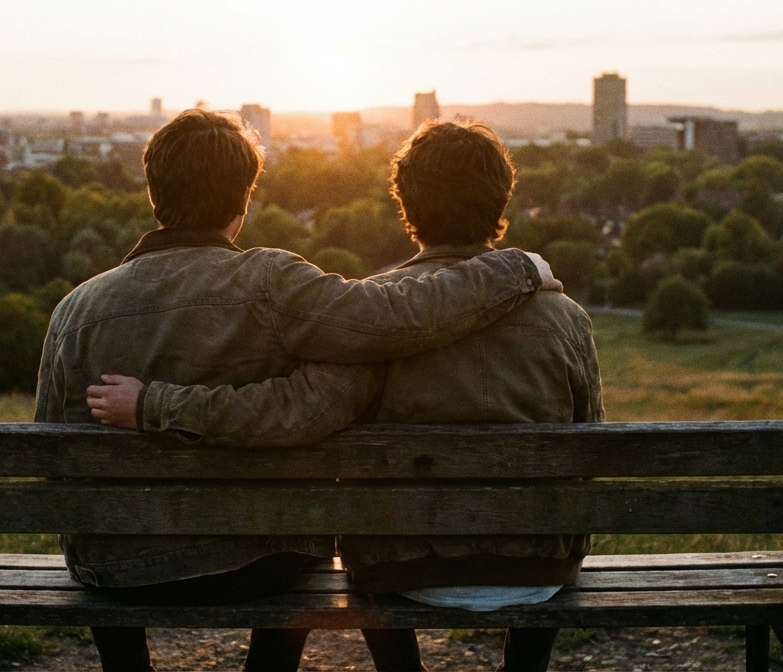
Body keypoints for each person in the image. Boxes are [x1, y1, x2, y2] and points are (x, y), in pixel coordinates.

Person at [36, 109, 565, 672]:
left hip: (116, 568)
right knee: (305, 553)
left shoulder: (76, 310)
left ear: (153, 192)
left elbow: (52, 457)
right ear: (244, 199)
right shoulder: (272, 283)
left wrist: (151, 410)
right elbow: (376, 336)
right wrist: (515, 270)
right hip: (258, 561)